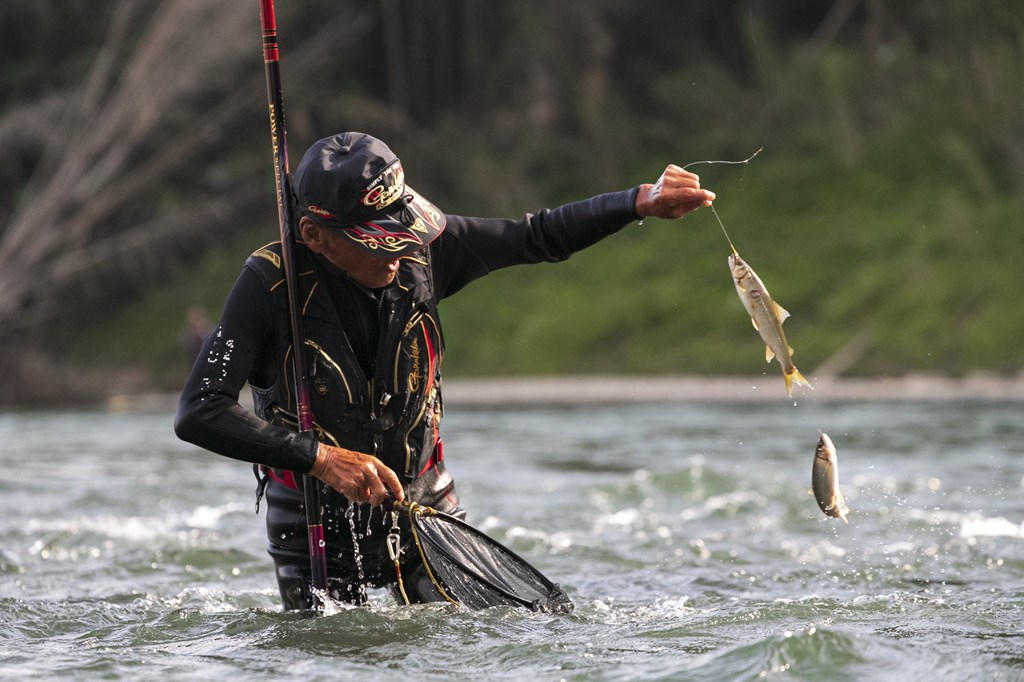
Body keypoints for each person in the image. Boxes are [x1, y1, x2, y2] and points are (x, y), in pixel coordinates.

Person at [174, 132, 715, 610]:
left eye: (402, 228)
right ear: (316, 235)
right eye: (378, 240)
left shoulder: (422, 253)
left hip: (428, 508)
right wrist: (319, 459)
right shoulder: (270, 286)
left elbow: (535, 236)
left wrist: (640, 201)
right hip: (315, 526)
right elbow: (200, 411)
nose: (401, 249)